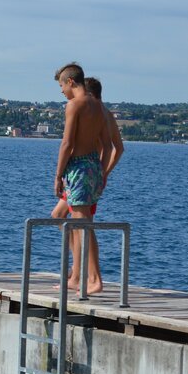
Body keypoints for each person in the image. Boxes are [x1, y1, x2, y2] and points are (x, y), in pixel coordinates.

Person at [53, 63, 112, 295]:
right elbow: (107, 146)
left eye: (61, 86)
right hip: (93, 165)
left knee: (83, 225)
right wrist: (101, 172)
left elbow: (67, 143)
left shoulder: (74, 105)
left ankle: (95, 279)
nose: (61, 92)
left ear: (70, 82)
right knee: (82, 224)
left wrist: (58, 175)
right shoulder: (98, 107)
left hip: (78, 167)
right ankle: (80, 278)